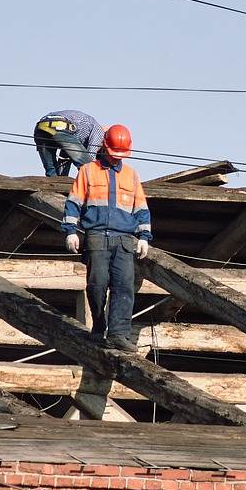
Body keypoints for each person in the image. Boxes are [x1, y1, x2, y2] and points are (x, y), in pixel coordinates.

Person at [61, 124, 152, 352]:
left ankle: (119, 334)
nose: (116, 159)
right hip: (97, 237)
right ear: (104, 146)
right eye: (114, 154)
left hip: (123, 240)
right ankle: (99, 327)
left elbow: (141, 207)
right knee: (97, 284)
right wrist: (71, 232)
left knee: (124, 287)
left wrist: (144, 237)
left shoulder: (131, 175)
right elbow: (73, 202)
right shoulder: (87, 171)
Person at [34, 110, 105, 177]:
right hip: (60, 126)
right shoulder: (100, 133)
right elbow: (90, 160)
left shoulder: (73, 139)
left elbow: (64, 161)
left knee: (52, 174)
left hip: (40, 128)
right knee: (89, 168)